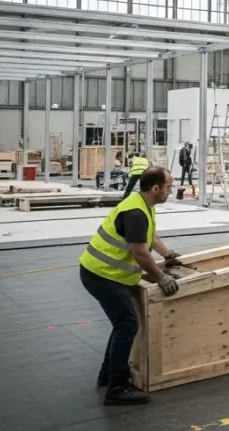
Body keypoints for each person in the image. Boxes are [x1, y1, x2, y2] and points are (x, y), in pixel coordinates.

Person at [79, 167, 181, 405]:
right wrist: (161, 278)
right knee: (127, 324)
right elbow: (140, 254)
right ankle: (116, 388)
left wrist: (168, 255)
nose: (171, 190)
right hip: (101, 275)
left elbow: (150, 237)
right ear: (155, 188)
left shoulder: (143, 204)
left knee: (121, 324)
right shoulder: (135, 211)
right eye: (168, 186)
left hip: (100, 272)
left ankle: (107, 375)